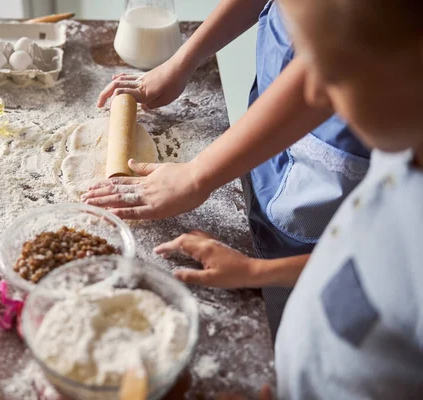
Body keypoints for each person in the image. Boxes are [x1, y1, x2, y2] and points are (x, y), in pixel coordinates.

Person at [85, 0, 370, 340]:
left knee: (302, 318)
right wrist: (182, 62)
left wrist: (198, 175)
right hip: (269, 135)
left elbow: (333, 66)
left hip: (328, 171)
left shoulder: (398, 179)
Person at [181, 0, 423, 398]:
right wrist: (255, 272)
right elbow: (361, 268)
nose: (309, 92)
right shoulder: (399, 150)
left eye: (330, 74)